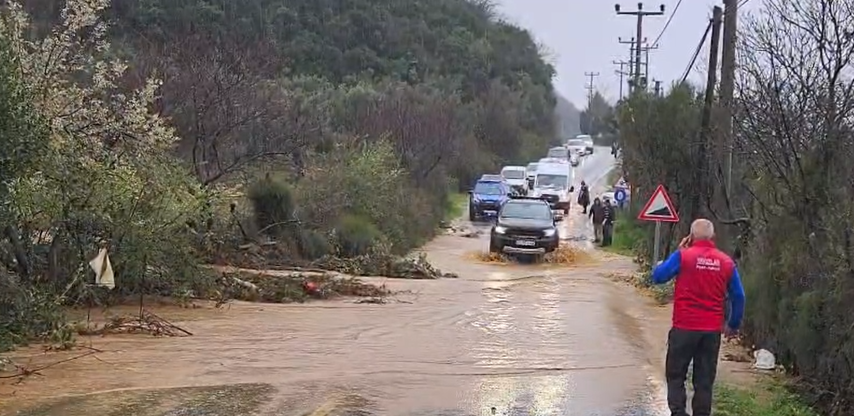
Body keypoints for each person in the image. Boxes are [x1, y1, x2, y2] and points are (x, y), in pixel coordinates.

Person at [650, 219, 746, 416]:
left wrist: (678, 251)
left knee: (676, 376)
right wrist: (733, 325)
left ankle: (678, 413)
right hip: (711, 332)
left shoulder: (683, 256)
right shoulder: (726, 262)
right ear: (713, 237)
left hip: (684, 328)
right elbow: (739, 296)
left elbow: (658, 276)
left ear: (690, 237)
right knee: (704, 381)